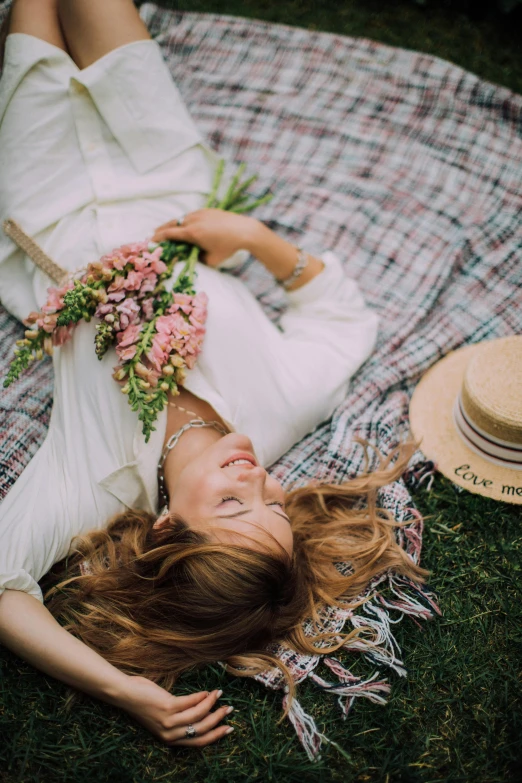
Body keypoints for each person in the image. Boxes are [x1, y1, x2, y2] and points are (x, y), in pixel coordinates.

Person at [0, 0, 427, 750]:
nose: (256, 472)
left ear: (168, 524)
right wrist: (255, 239)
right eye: (273, 499)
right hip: (169, 183)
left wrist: (122, 687)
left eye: (235, 500)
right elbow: (344, 319)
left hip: (45, 213)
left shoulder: (93, 480)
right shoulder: (284, 406)